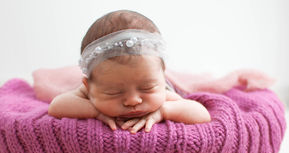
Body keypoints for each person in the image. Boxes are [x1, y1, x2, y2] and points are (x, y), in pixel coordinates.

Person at [48, 10, 211, 134]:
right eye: (113, 92)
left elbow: (201, 114)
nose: (133, 100)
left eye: (147, 88)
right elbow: (56, 106)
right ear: (89, 87)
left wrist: (163, 111)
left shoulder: (163, 95)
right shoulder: (89, 90)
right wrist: (95, 111)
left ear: (161, 77)